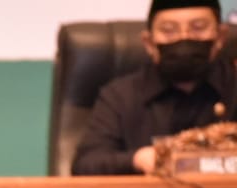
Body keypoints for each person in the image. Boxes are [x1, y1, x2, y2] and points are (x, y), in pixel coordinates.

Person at [72, 0, 236, 175]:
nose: (184, 37)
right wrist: (137, 159)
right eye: (168, 30)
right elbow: (86, 164)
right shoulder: (121, 96)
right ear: (149, 43)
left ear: (220, 37)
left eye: (198, 27)